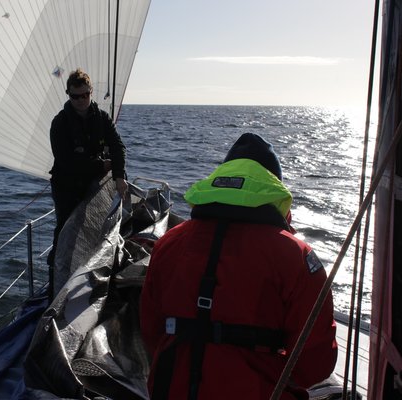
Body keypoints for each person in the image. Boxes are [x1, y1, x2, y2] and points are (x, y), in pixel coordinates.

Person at [140, 133, 338, 400]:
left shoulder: (168, 243)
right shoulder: (297, 257)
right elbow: (314, 363)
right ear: (272, 189)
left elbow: (151, 331)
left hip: (172, 390)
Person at [48, 68, 128, 273]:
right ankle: (56, 278)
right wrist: (102, 166)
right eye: (75, 96)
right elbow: (67, 162)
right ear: (68, 94)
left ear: (91, 92)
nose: (81, 100)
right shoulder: (60, 123)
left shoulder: (102, 118)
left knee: (95, 226)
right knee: (65, 231)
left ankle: (89, 271)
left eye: (85, 95)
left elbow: (118, 147)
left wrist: (119, 177)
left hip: (92, 185)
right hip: (66, 187)